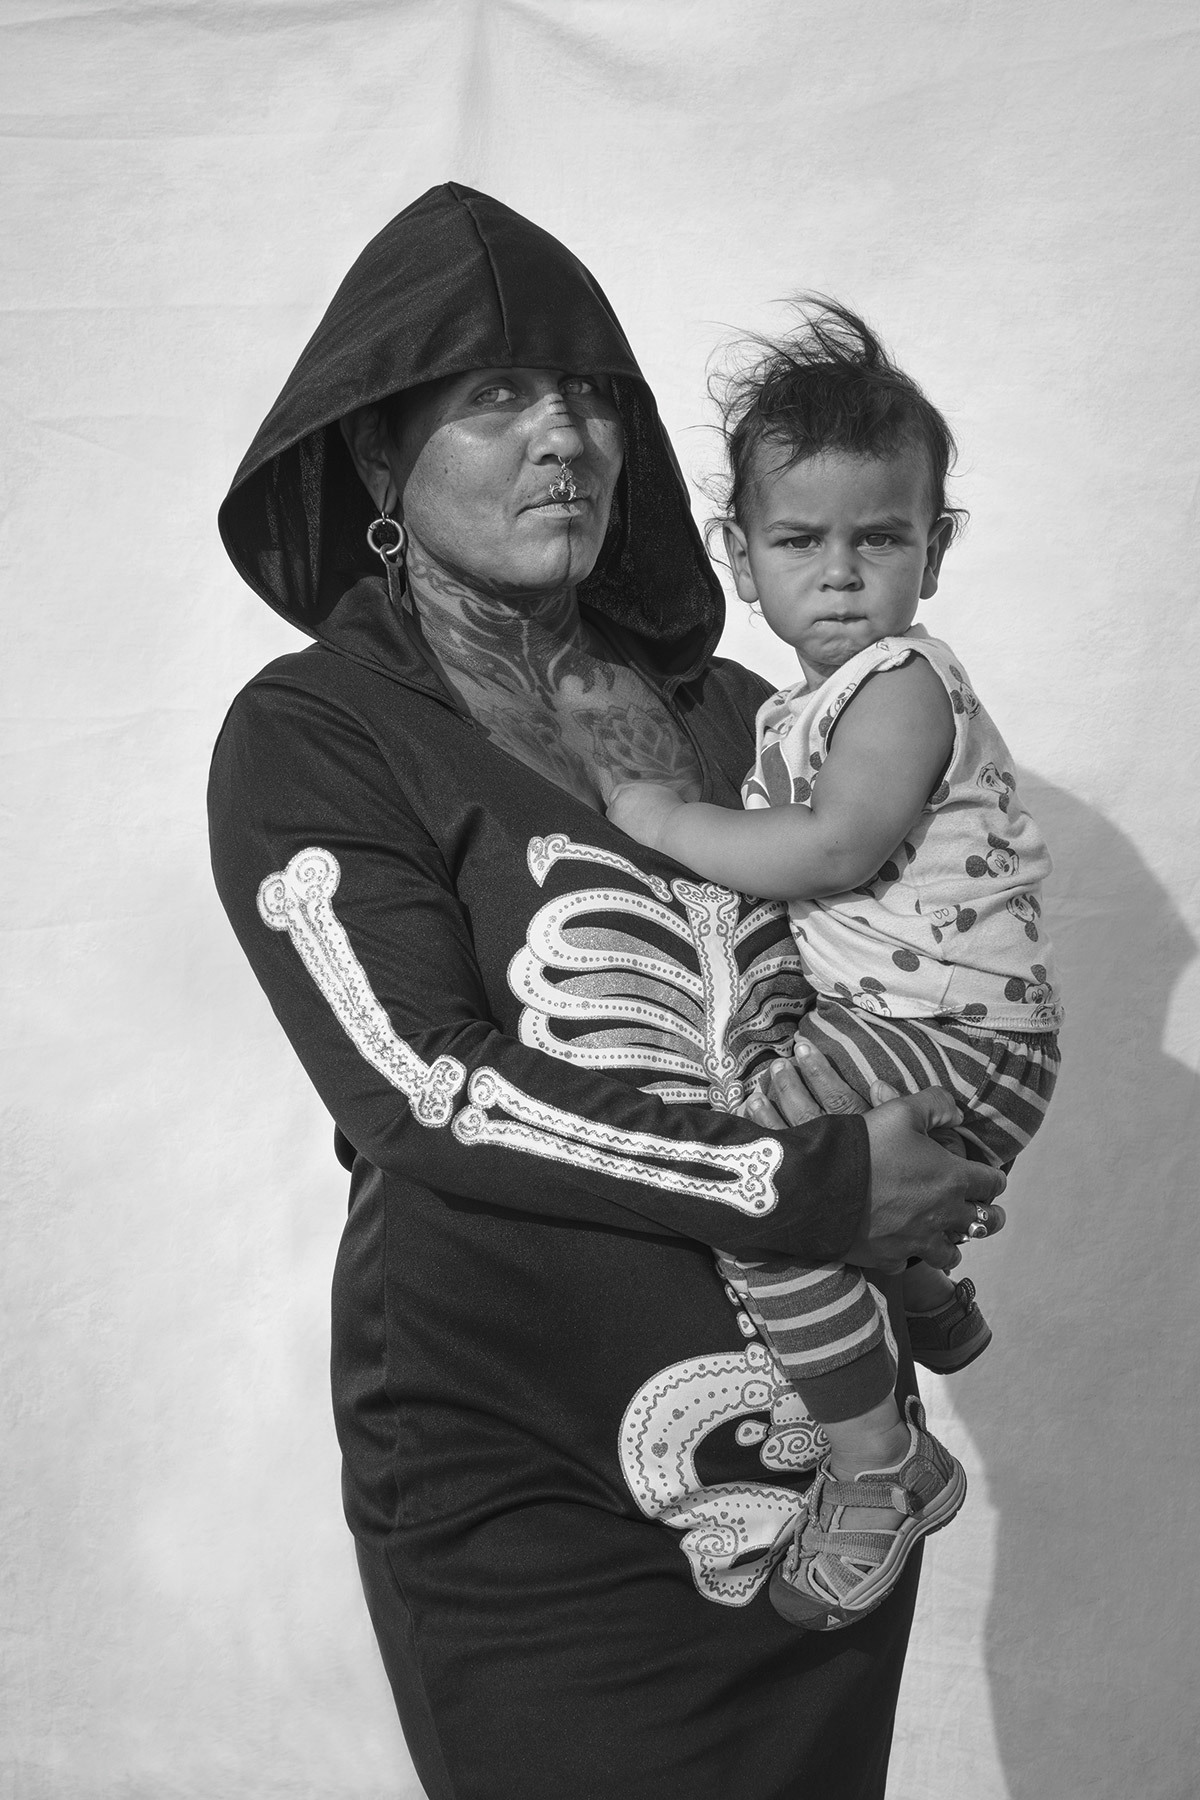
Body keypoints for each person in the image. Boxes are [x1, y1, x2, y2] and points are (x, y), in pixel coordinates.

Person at [208, 185, 1005, 1800]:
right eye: (496, 397)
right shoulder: (318, 733)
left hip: (823, 1470)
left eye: (588, 396)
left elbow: (897, 959)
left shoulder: (747, 716)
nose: (562, 436)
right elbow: (425, 1090)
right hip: (522, 1473)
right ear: (380, 459)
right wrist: (818, 1181)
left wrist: (935, 1134)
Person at [608, 300, 1061, 1632]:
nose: (844, 574)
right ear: (740, 559)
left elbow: (833, 848)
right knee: (777, 1152)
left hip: (947, 1029)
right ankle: (918, 1290)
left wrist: (665, 820)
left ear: (937, 548)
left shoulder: (901, 681)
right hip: (927, 1020)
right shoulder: (807, 701)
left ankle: (880, 1466)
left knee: (760, 1186)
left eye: (882, 539)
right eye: (801, 542)